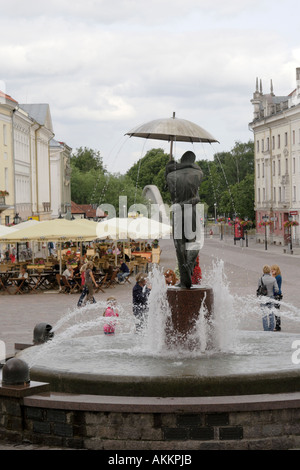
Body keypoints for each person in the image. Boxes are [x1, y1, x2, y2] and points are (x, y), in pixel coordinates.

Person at [165, 150, 203, 288]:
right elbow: (197, 169)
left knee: (179, 245)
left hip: (177, 212)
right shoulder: (197, 173)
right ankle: (188, 269)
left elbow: (170, 192)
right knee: (193, 241)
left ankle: (184, 278)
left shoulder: (170, 176)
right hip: (191, 210)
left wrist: (169, 169)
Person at [258, 265, 279, 331]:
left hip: (263, 297)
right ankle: (271, 328)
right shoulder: (273, 279)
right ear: (269, 271)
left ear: (263, 271)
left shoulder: (261, 279)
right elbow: (276, 289)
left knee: (264, 314)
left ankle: (266, 329)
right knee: (271, 313)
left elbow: (259, 287)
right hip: (270, 297)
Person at [271, 264, 283, 331]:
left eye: (273, 269)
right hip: (275, 294)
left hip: (277, 295)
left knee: (276, 311)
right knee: (275, 311)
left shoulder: (278, 277)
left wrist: (272, 276)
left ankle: (278, 326)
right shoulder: (276, 276)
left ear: (276, 270)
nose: (272, 271)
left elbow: (273, 282)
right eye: (271, 269)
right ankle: (276, 325)